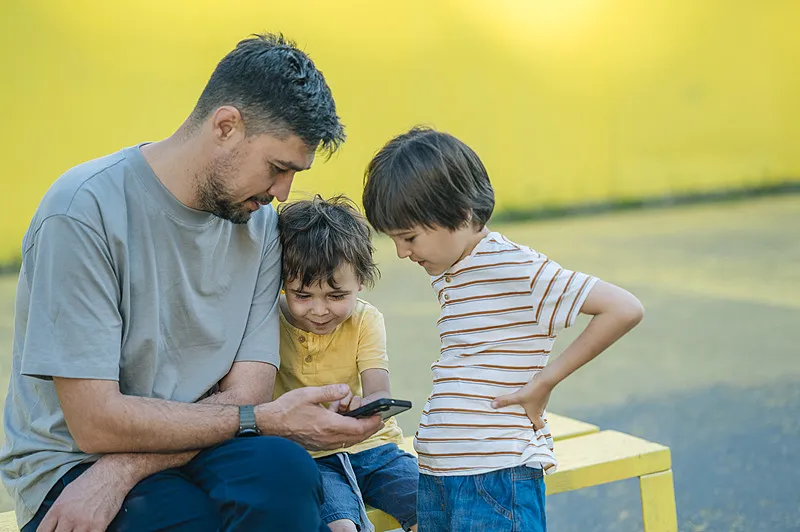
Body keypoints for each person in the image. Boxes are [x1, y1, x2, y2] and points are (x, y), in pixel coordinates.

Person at [0, 33, 383, 532]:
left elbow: (252, 389)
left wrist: (124, 470)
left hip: (198, 444)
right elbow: (95, 422)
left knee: (283, 474)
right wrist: (111, 470)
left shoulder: (261, 224)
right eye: (277, 167)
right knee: (185, 517)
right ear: (226, 126)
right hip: (77, 462)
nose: (283, 191)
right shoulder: (82, 211)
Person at [362, 126, 645, 531]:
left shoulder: (513, 266)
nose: (402, 252)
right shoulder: (452, 271)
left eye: (409, 237)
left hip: (495, 476)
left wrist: (545, 381)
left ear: (459, 213)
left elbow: (623, 308)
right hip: (441, 476)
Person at [274, 195, 418, 532]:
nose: (319, 310)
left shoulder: (366, 320)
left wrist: (364, 405)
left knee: (431, 510)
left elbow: (378, 390)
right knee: (341, 526)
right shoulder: (267, 322)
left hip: (374, 449)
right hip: (311, 457)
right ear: (282, 284)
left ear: (361, 282)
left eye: (337, 296)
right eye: (302, 295)